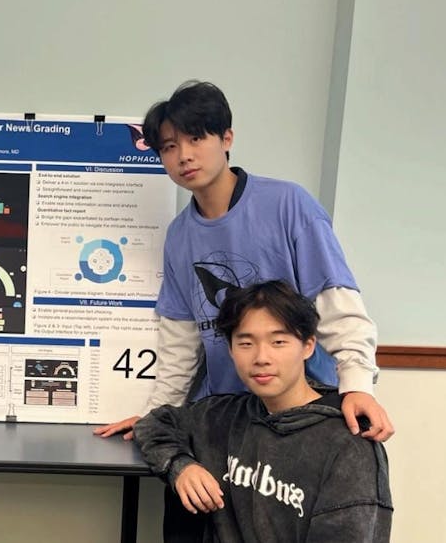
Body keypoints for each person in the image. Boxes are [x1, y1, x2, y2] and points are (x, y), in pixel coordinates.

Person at [94, 80, 394, 442]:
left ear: (227, 139)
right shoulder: (179, 235)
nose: (184, 155)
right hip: (228, 417)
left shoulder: (288, 205)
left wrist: (358, 385)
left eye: (196, 138)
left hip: (303, 412)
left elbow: (337, 305)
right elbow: (180, 343)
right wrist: (156, 417)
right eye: (170, 147)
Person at [134, 280, 393, 542]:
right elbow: (153, 424)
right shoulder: (220, 416)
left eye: (278, 342)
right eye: (246, 343)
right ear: (231, 349)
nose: (261, 358)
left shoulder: (347, 440)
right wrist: (180, 467)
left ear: (308, 346)